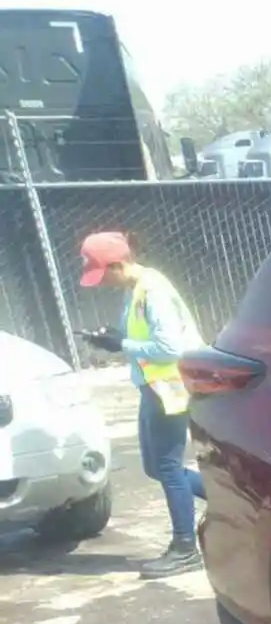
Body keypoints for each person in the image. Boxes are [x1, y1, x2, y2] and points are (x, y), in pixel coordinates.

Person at [75, 230, 207, 578]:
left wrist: (123, 345)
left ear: (118, 264)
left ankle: (184, 548)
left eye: (103, 274)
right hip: (154, 387)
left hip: (170, 388)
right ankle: (230, 499)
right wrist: (112, 339)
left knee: (167, 468)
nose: (102, 283)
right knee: (155, 467)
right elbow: (139, 337)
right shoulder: (136, 290)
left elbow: (170, 348)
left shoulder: (153, 291)